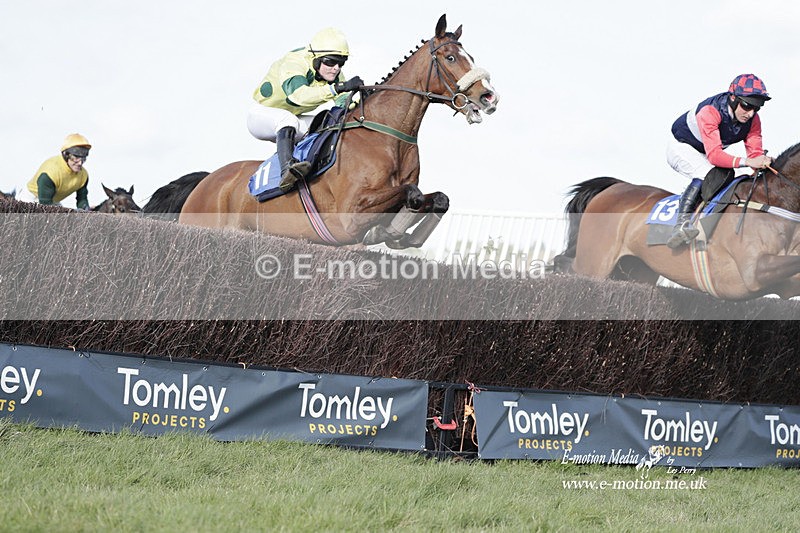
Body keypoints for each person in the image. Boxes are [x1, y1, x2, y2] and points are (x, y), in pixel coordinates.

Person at [246, 27, 364, 192]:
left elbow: (342, 103)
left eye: (341, 62)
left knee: (326, 123)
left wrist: (361, 100)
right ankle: (287, 169)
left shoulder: (334, 73)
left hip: (293, 118)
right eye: (330, 62)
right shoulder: (294, 63)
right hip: (261, 115)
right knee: (287, 120)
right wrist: (338, 88)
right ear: (315, 58)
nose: (336, 68)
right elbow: (298, 96)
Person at [665, 73, 773, 248]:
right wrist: (748, 162)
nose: (750, 113)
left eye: (757, 108)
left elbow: (755, 154)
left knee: (728, 176)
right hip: (682, 147)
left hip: (707, 151)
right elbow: (714, 156)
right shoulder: (710, 111)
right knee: (708, 173)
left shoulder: (753, 120)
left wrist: (763, 165)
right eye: (746, 106)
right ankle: (681, 225)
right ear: (732, 98)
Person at [19, 133, 92, 209]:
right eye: (76, 158)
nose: (80, 163)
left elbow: (82, 200)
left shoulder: (83, 175)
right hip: (31, 199)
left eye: (83, 158)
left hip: (52, 201)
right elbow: (45, 206)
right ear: (66, 155)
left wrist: (86, 210)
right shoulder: (50, 172)